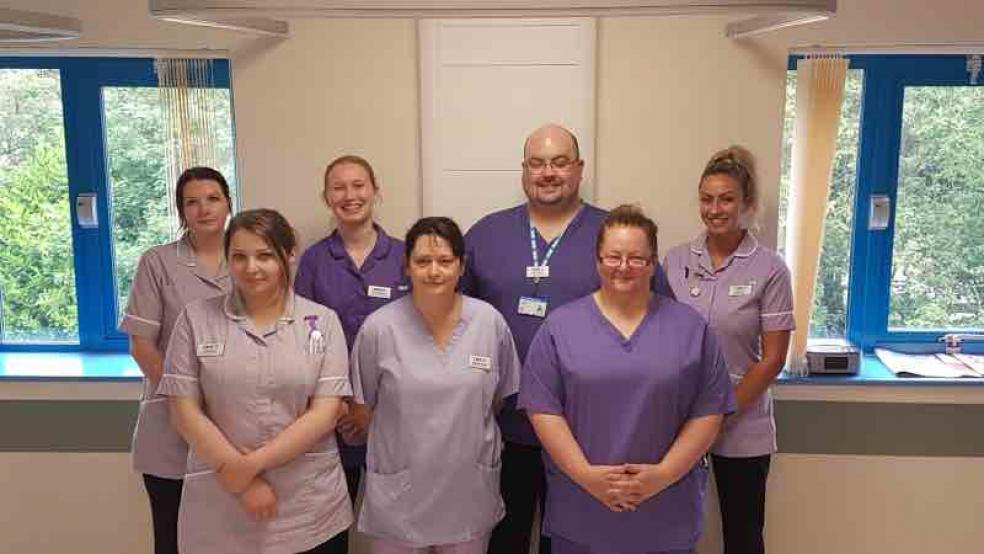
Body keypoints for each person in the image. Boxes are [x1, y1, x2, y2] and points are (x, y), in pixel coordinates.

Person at [461, 124, 673, 554]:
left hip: (592, 431)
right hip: (504, 426)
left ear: (579, 168)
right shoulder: (485, 235)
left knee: (575, 540)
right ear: (523, 171)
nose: (548, 172)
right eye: (537, 163)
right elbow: (451, 318)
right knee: (506, 534)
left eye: (559, 162)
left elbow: (660, 321)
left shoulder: (612, 237)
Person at [519, 205, 735, 554]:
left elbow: (709, 412)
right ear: (598, 261)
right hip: (583, 508)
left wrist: (662, 475)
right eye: (614, 256)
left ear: (652, 264)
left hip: (666, 510)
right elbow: (543, 410)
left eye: (636, 258)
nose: (623, 267)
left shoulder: (690, 328)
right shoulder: (560, 328)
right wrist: (589, 477)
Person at [158, 209, 353, 554]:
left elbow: (324, 414)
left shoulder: (322, 322)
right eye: (239, 257)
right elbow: (184, 413)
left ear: (289, 254)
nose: (252, 268)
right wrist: (241, 481)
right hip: (221, 505)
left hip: (308, 509)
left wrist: (248, 468)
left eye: (264, 255)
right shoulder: (195, 320)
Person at [351, 217, 521, 554]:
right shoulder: (380, 328)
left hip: (467, 490)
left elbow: (497, 400)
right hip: (401, 492)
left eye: (445, 261)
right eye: (422, 261)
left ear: (461, 266)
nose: (434, 271)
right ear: (406, 266)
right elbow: (360, 410)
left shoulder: (489, 323)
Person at [663, 146, 794, 554]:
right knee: (673, 528)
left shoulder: (770, 268)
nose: (714, 209)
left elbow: (773, 358)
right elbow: (659, 336)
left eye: (726, 199)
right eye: (706, 198)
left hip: (742, 422)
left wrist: (720, 414)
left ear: (747, 203)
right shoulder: (676, 260)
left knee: (742, 535)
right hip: (678, 420)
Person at [295, 155, 408, 552]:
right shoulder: (313, 261)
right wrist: (345, 407)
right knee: (329, 531)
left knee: (399, 529)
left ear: (377, 190)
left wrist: (372, 410)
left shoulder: (405, 257)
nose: (350, 195)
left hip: (398, 416)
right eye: (338, 187)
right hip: (333, 419)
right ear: (326, 198)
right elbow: (304, 343)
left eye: (358, 185)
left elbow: (418, 338)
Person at [119, 166, 233, 554]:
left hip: (237, 425)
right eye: (192, 202)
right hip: (172, 427)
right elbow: (142, 345)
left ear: (229, 203)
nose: (204, 209)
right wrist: (188, 401)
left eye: (213, 198)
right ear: (181, 211)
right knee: (172, 539)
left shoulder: (249, 258)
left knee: (231, 539)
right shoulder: (158, 262)